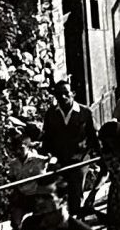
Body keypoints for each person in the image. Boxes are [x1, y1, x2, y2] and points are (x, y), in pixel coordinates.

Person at [41, 81, 100, 217]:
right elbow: (47, 139)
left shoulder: (84, 112)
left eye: (66, 93)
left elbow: (93, 137)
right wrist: (50, 157)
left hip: (80, 159)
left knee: (76, 190)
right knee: (55, 192)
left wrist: (97, 157)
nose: (63, 97)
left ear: (72, 94)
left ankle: (77, 219)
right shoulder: (51, 114)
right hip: (60, 159)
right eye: (59, 94)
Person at [8, 125, 53, 230]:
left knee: (38, 223)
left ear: (27, 147)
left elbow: (50, 161)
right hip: (23, 196)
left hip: (37, 195)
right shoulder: (13, 164)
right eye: (15, 149)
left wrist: (51, 160)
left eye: (21, 148)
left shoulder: (38, 160)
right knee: (15, 222)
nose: (18, 152)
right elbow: (12, 178)